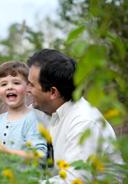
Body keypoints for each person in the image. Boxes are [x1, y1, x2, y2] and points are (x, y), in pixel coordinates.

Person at [26, 49, 123, 183]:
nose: (26, 89)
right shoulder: (43, 111)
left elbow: (74, 180)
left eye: (31, 85)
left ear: (53, 92)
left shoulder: (84, 122)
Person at [0, 61, 47, 159]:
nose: (10, 87)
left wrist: (8, 152)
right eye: (4, 84)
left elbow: (40, 156)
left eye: (16, 83)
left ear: (28, 88)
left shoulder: (33, 118)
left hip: (26, 174)